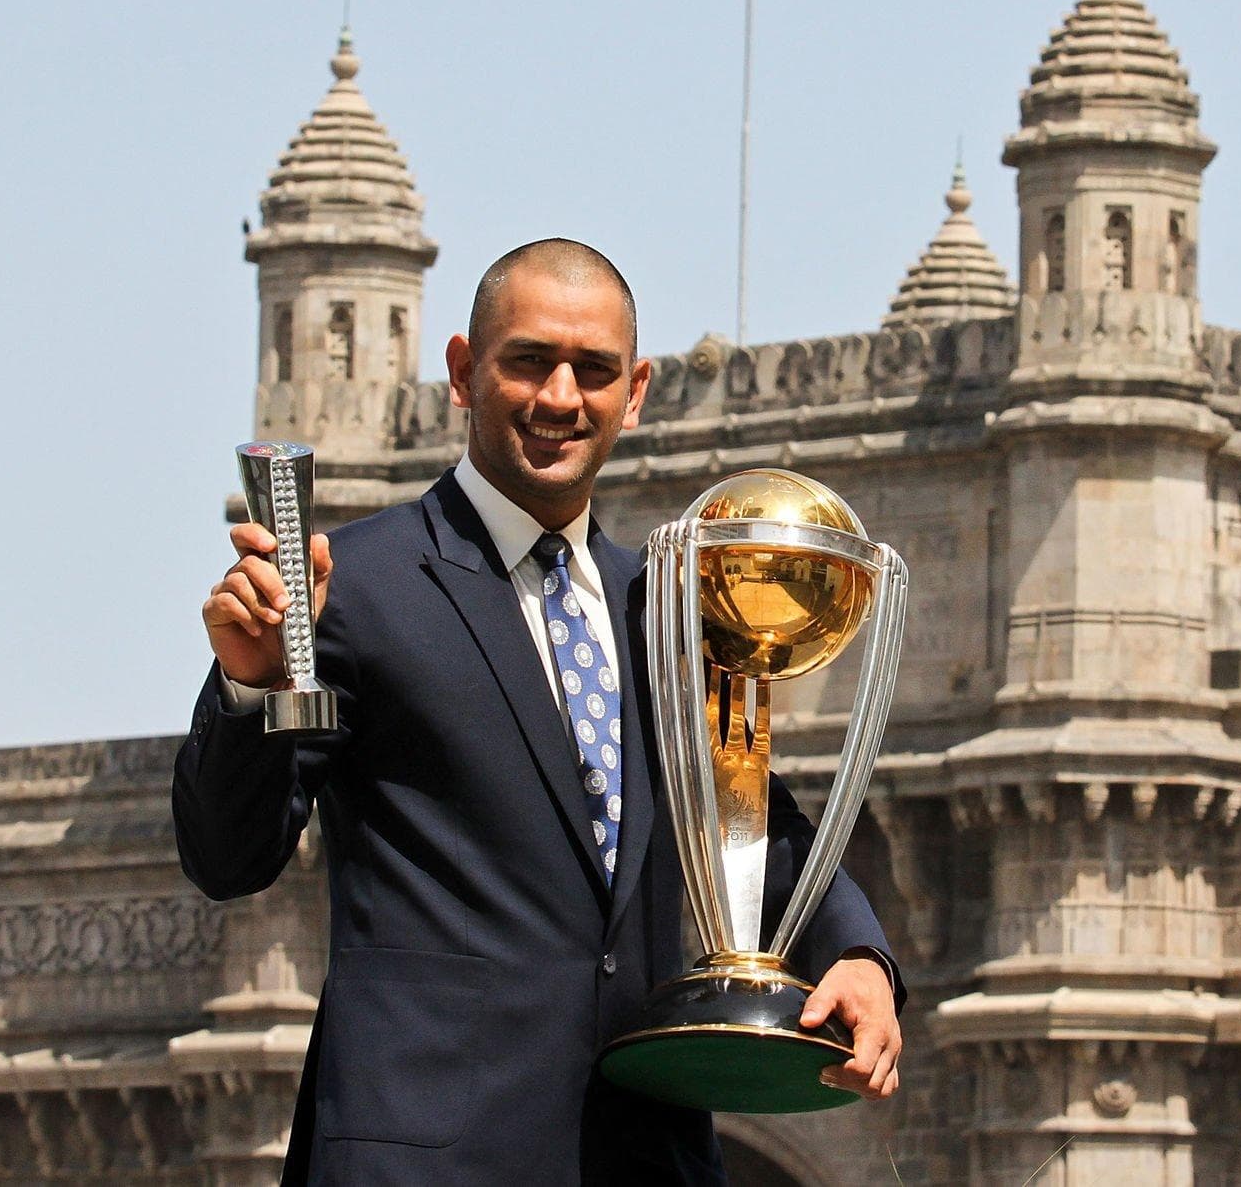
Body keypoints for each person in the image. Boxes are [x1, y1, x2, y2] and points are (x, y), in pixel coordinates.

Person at [175, 239, 903, 1185]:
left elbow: (753, 819)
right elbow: (229, 855)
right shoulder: (358, 586)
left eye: (593, 370)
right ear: (463, 373)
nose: (561, 396)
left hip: (642, 1157)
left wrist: (857, 952)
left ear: (634, 391)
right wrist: (254, 687)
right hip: (425, 1159)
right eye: (529, 360)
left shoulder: (670, 606)